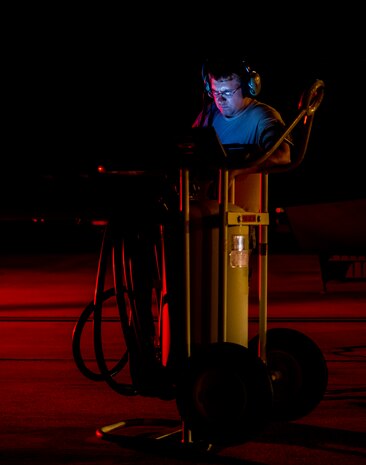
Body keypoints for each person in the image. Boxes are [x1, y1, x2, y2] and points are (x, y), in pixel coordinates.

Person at [192, 57, 292, 212]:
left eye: (227, 92)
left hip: (242, 217)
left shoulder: (263, 116)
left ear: (247, 88)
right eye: (215, 92)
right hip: (204, 211)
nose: (220, 99)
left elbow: (283, 156)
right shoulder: (208, 114)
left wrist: (236, 171)